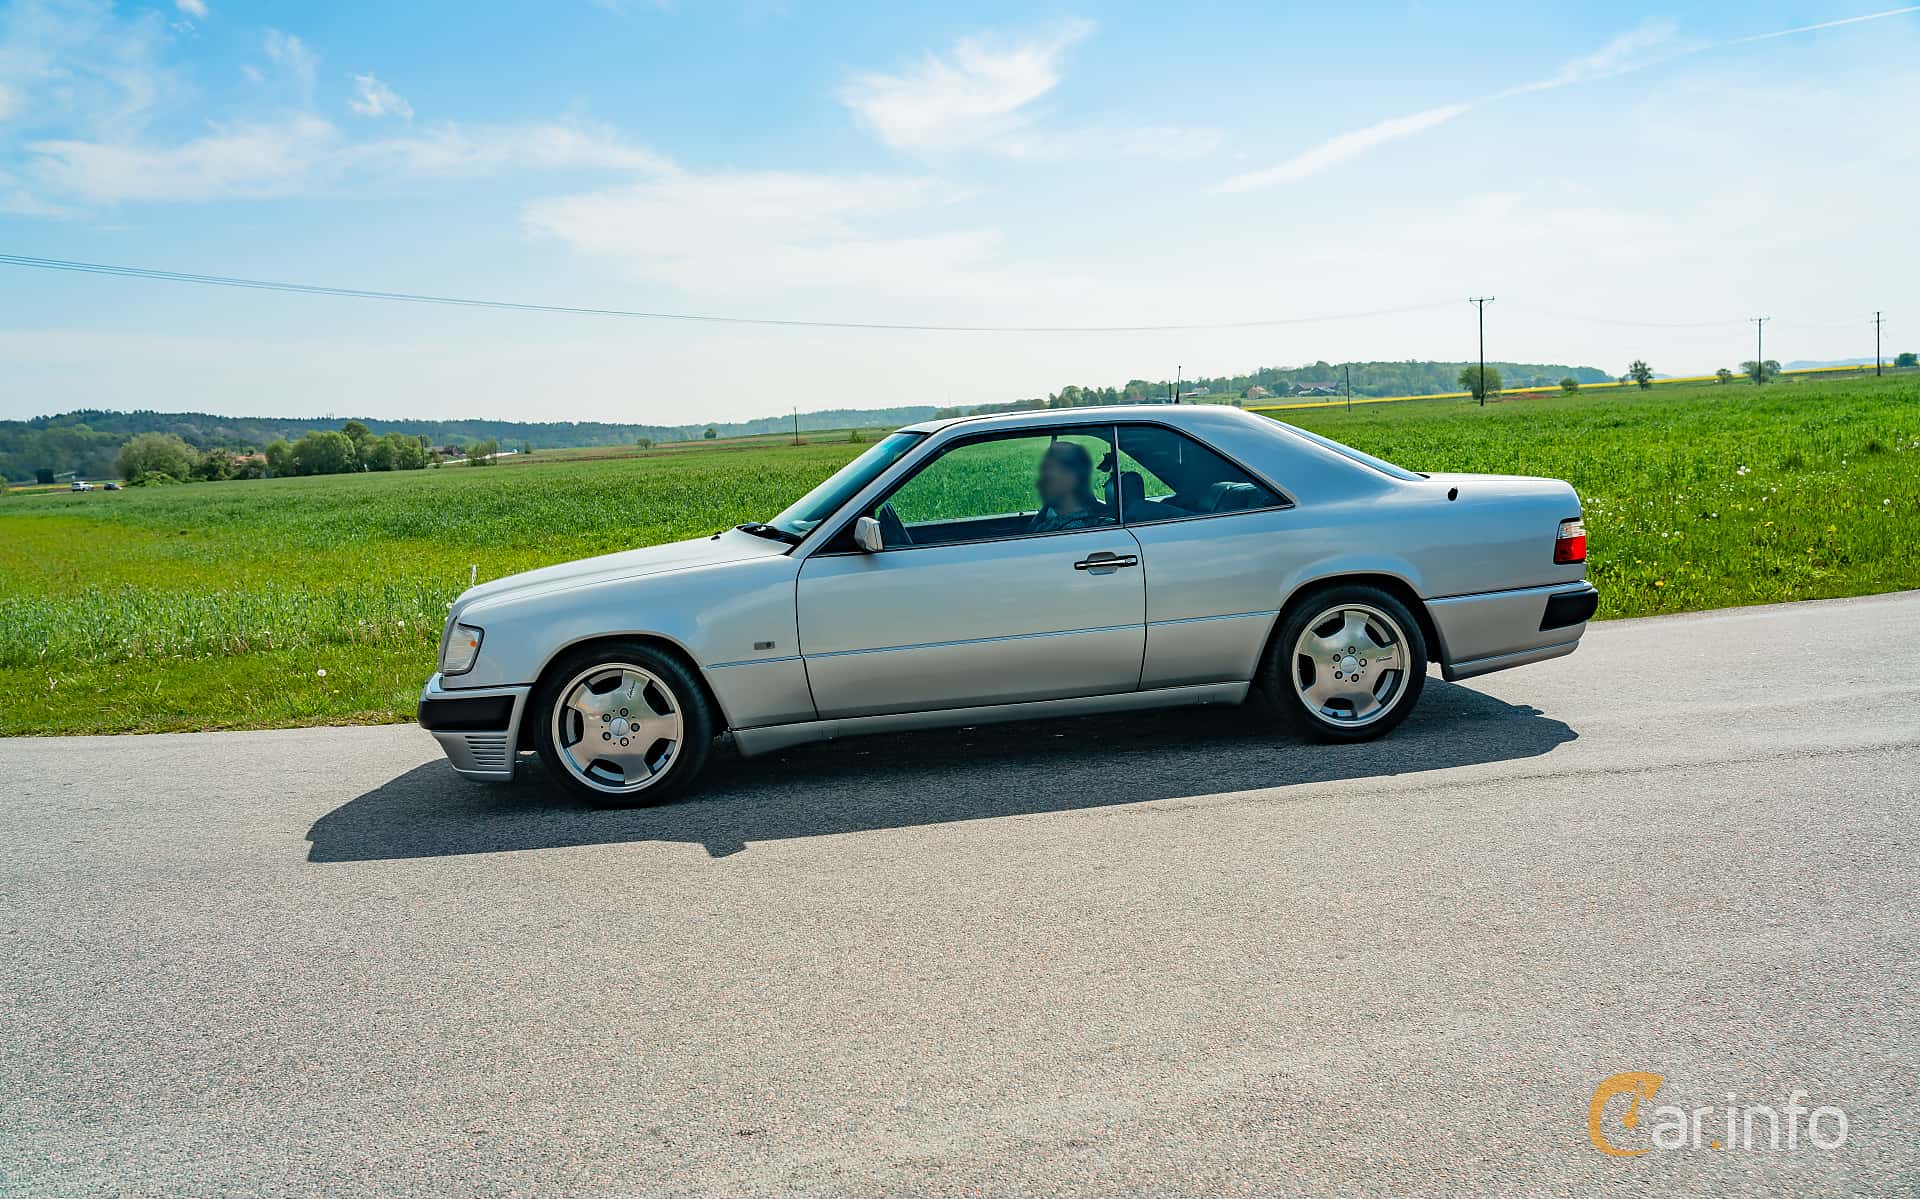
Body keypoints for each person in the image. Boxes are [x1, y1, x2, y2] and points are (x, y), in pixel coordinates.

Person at [1029, 441, 1112, 533]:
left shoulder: (1074, 531)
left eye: (1048, 478)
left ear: (1070, 479)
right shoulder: (1051, 512)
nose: (1038, 484)